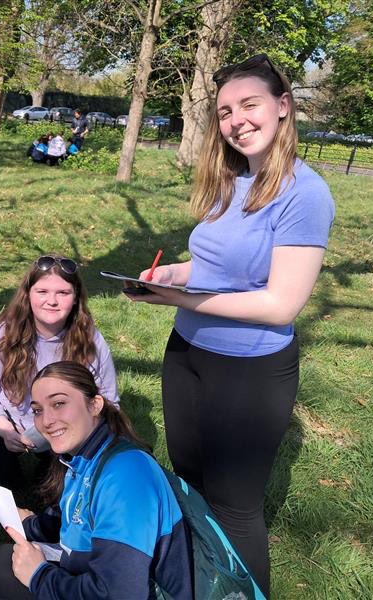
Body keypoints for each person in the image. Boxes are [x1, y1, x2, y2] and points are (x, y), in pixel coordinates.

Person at [125, 54, 335, 596]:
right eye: (224, 111)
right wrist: (168, 275)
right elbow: (215, 268)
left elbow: (280, 304)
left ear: (283, 107)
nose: (236, 119)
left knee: (235, 508)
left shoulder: (305, 194)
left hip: (249, 371)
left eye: (249, 104)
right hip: (187, 355)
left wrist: (181, 298)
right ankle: (199, 583)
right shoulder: (233, 180)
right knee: (190, 485)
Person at [0, 361, 193, 599]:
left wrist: (38, 575)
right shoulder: (83, 458)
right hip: (91, 571)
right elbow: (75, 518)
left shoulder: (127, 477)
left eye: (59, 403)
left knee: (2, 574)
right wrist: (30, 525)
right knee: (2, 562)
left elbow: (118, 594)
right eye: (38, 410)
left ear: (94, 405)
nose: (46, 421)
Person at [0, 256, 119, 489]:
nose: (52, 301)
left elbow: (108, 400)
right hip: (9, 422)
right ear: (28, 294)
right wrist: (3, 428)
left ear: (76, 298)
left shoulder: (90, 339)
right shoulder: (3, 333)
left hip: (64, 429)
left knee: (74, 481)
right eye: (42, 291)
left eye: (63, 293)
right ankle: (12, 487)